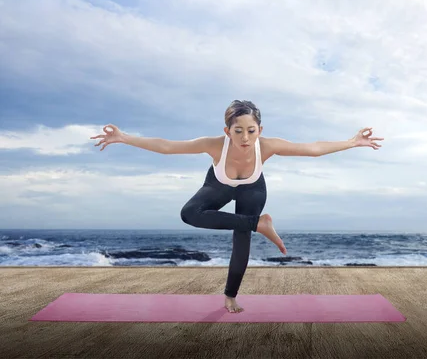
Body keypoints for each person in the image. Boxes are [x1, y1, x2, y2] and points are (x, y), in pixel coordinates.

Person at [90, 100, 383, 313]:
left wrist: (352, 142)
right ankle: (260, 224)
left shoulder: (267, 146)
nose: (245, 138)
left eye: (251, 131)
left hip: (252, 189)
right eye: (238, 130)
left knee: (240, 242)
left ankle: (230, 296)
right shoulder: (215, 144)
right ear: (227, 130)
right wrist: (123, 137)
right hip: (218, 185)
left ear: (260, 129)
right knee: (189, 213)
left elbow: (314, 149)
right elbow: (168, 146)